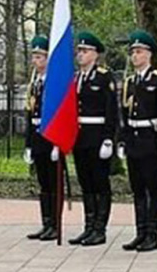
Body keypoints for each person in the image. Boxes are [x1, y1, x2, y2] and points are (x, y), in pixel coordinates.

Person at [118, 30, 157, 253]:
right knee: (138, 188)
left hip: (150, 139)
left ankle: (152, 233)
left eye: (139, 52)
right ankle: (140, 232)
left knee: (153, 188)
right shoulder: (130, 82)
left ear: (149, 54)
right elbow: (124, 115)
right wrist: (122, 140)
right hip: (133, 139)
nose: (135, 56)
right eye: (132, 52)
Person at [68, 32, 114, 247]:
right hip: (80, 137)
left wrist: (108, 138)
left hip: (97, 136)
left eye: (85, 51)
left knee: (99, 183)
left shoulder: (104, 77)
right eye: (79, 51)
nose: (80, 54)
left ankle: (100, 229)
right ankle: (88, 226)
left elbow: (111, 111)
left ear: (95, 54)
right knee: (86, 183)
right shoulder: (76, 78)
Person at [23, 36, 66, 241]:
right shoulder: (35, 83)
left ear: (49, 58)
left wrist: (58, 143)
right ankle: (46, 223)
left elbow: (61, 113)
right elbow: (30, 115)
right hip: (38, 136)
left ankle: (56, 225)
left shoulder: (56, 83)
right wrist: (28, 144)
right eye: (34, 56)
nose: (35, 60)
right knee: (43, 183)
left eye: (39, 56)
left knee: (53, 182)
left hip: (52, 137)